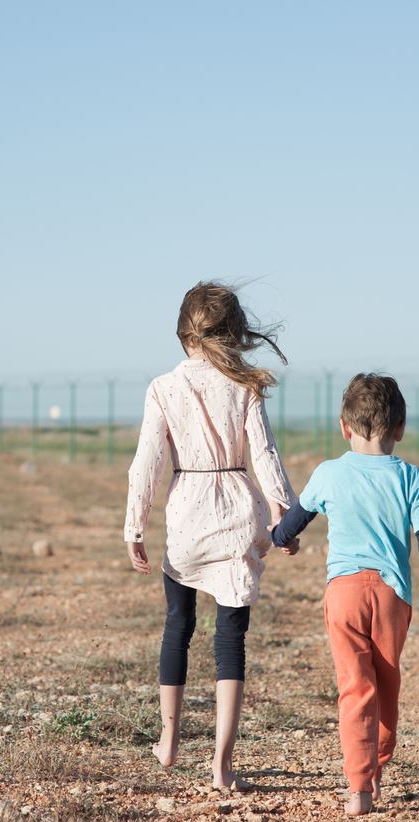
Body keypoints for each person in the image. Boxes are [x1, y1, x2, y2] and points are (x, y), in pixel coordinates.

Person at [270, 372, 419, 816]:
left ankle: (358, 788)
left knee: (354, 687)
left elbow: (290, 526)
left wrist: (280, 536)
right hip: (391, 596)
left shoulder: (328, 473)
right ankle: (377, 770)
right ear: (401, 428)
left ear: (344, 426)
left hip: (342, 594)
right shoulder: (412, 479)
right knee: (386, 682)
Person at [124, 281, 296, 791]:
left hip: (186, 515)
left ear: (184, 334)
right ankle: (222, 762)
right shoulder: (245, 388)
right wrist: (284, 518)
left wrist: (135, 525)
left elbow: (147, 464)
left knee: (178, 624)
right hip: (238, 512)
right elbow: (265, 455)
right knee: (230, 640)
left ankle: (169, 739)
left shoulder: (162, 387)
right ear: (234, 334)